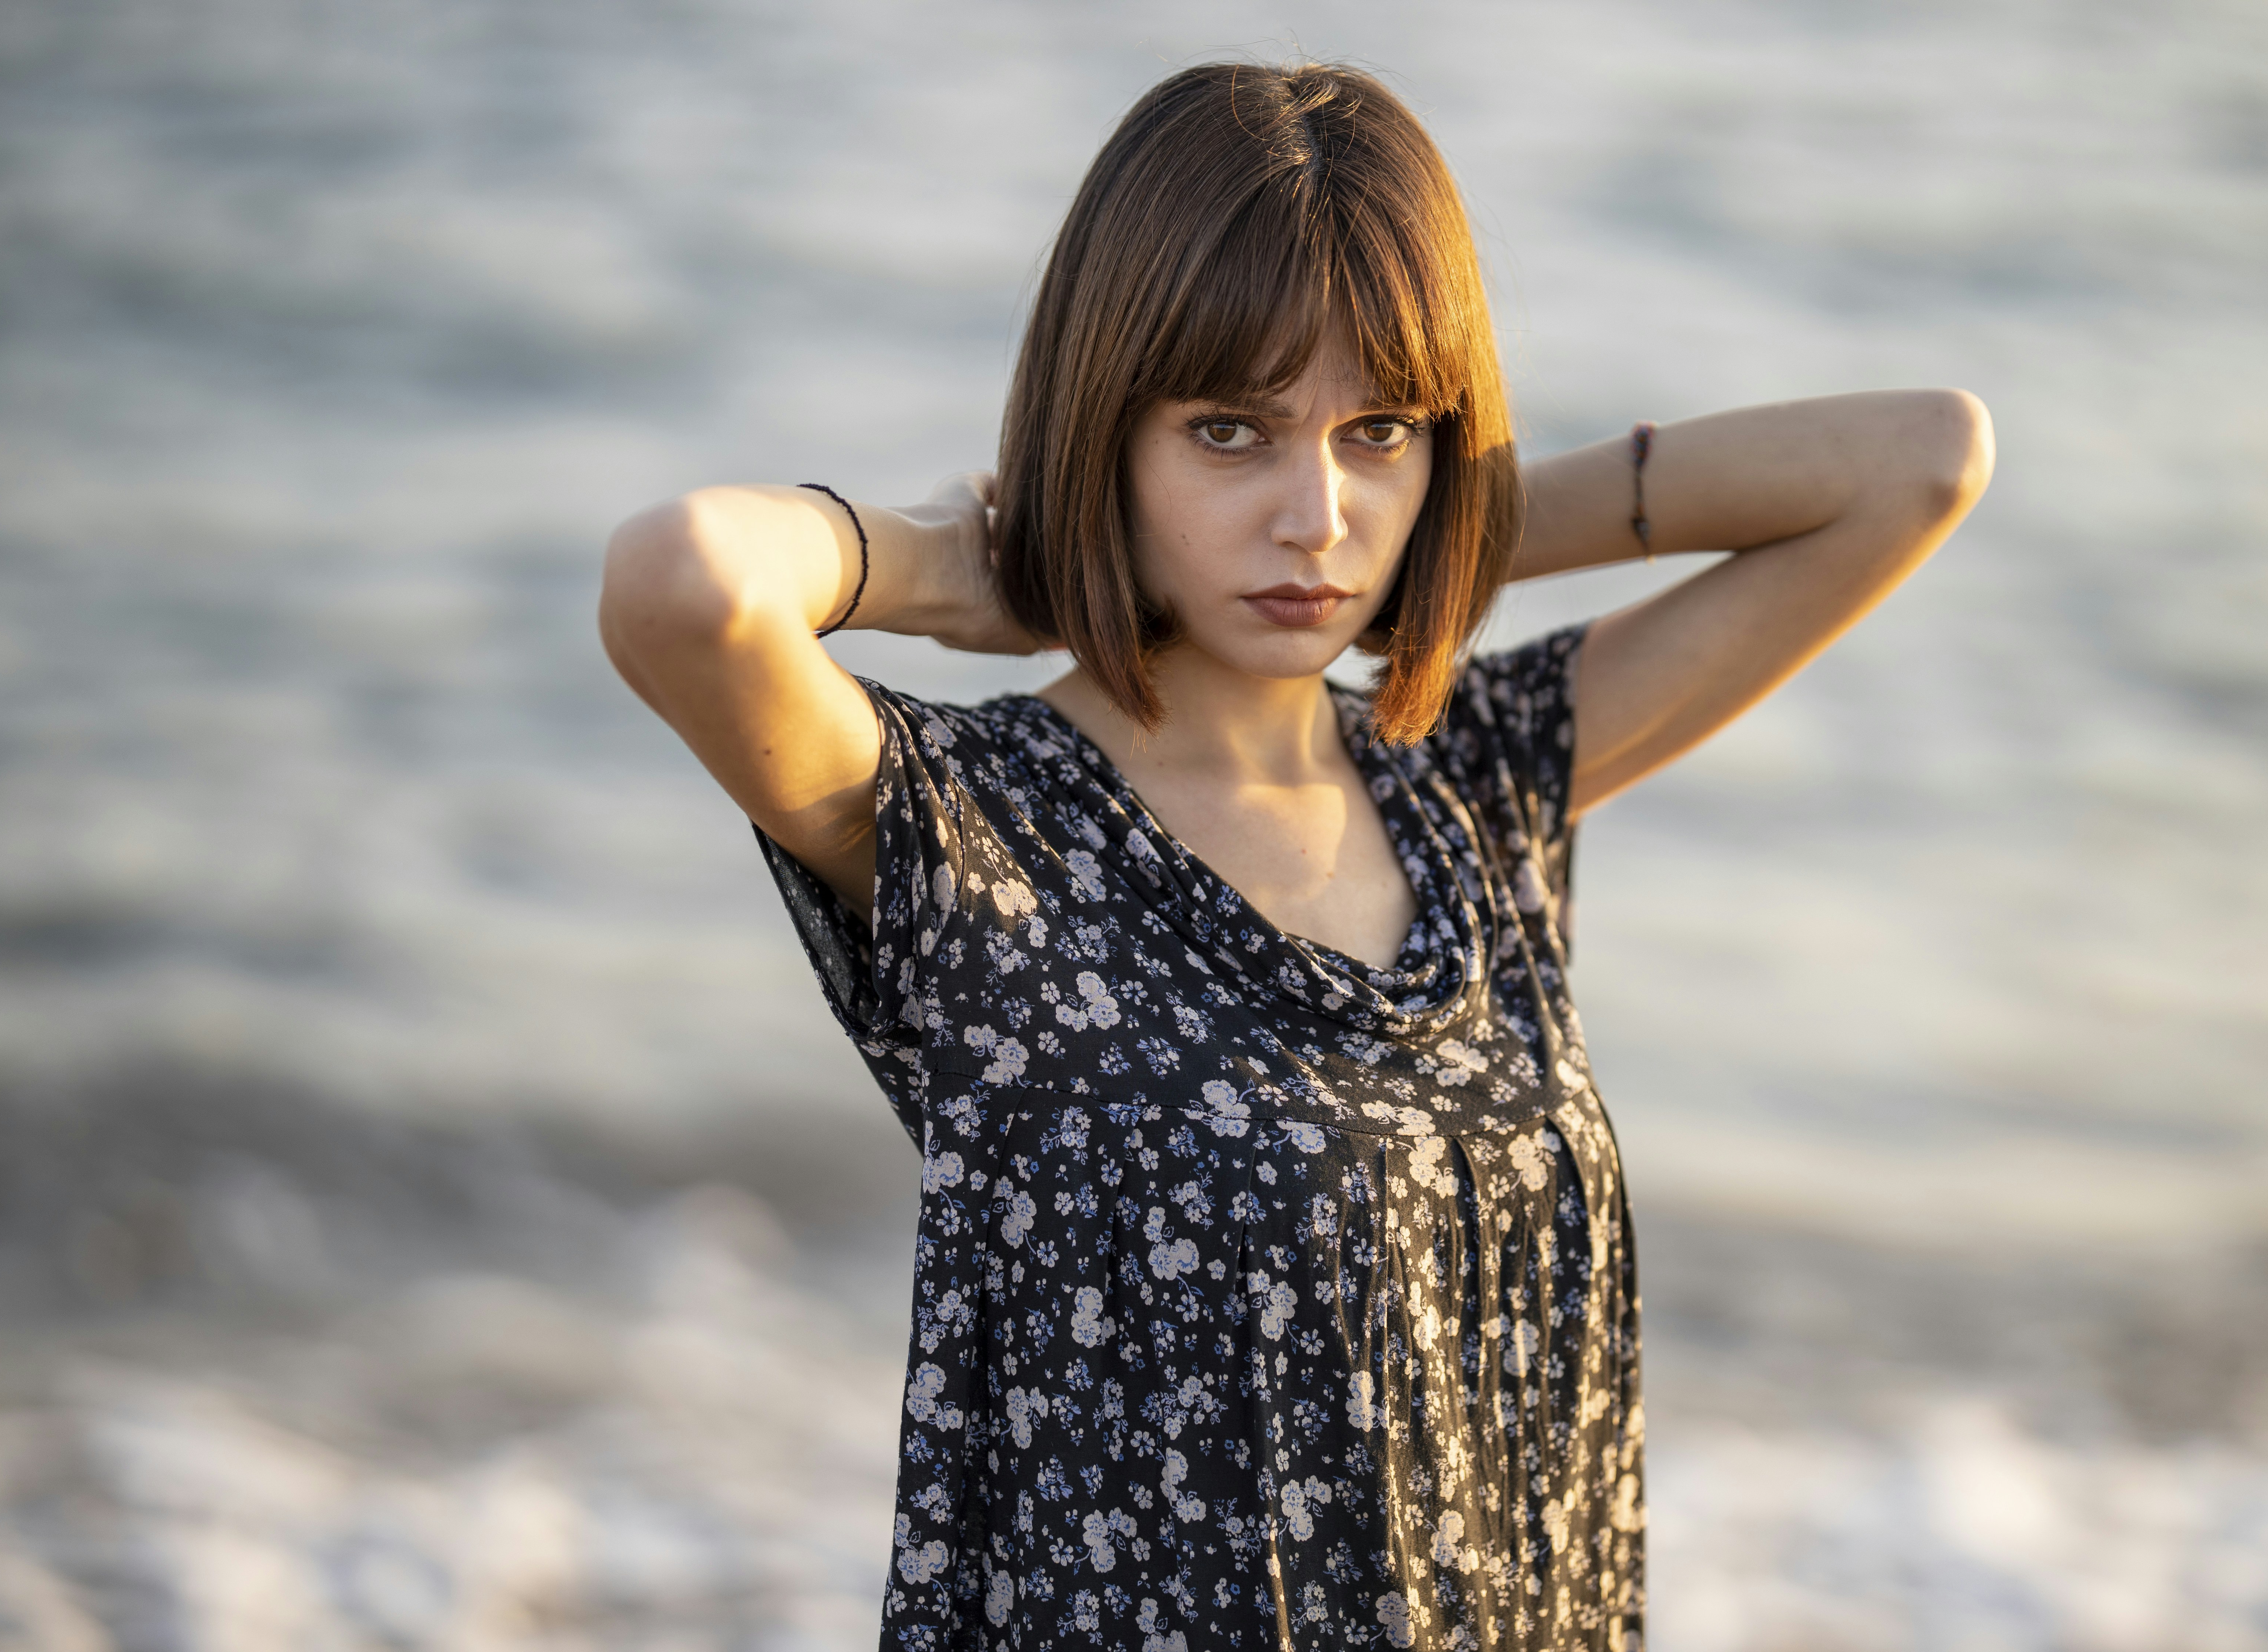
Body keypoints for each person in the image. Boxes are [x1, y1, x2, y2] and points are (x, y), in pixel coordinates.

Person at [599, 59, 1990, 1652]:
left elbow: (1921, 460)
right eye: (1231, 432)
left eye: (1377, 430)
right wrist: (957, 561)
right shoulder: (978, 836)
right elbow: (684, 582)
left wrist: (1448, 531)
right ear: (1105, 435)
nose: (1315, 517)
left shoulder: (1475, 785)